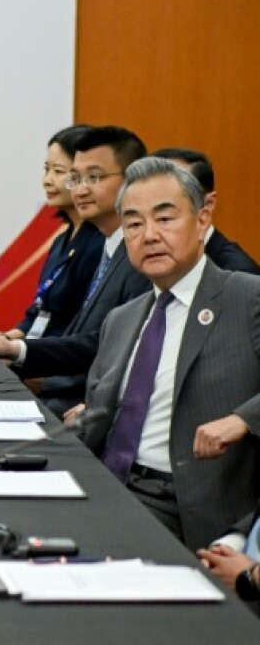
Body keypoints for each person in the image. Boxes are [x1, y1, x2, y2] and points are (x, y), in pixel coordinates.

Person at [78, 157, 260, 550]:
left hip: (185, 503)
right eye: (134, 224)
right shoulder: (121, 320)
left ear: (203, 218)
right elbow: (96, 421)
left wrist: (242, 419)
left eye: (165, 218)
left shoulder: (247, 297)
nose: (149, 235)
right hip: (107, 487)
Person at [0, 126, 150, 414]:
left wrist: (21, 356)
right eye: (75, 178)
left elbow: (110, 349)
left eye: (95, 177)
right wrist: (14, 349)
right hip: (62, 391)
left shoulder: (141, 257)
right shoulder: (108, 248)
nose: (81, 189)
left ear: (133, 181)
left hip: (85, 406)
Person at [150, 147, 260, 274]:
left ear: (207, 204)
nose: (149, 234)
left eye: (165, 215)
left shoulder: (240, 276)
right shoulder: (147, 260)